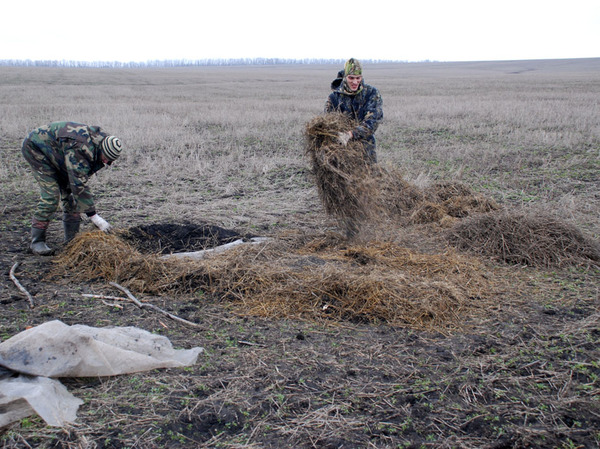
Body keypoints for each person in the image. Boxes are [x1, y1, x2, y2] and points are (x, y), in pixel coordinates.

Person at [21, 121, 124, 255]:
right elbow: (78, 183)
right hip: (37, 149)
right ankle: (37, 242)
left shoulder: (102, 144)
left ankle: (71, 241)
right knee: (51, 196)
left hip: (60, 155)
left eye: (109, 161)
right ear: (102, 151)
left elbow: (76, 185)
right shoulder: (81, 148)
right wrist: (95, 217)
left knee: (72, 196)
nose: (106, 163)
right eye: (106, 159)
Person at [325, 58, 383, 163]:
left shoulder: (371, 94)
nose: (355, 82)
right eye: (351, 78)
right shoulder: (334, 98)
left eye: (358, 77)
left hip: (366, 152)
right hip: (341, 151)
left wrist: (351, 134)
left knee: (369, 178)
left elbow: (373, 121)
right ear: (345, 77)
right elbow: (329, 125)